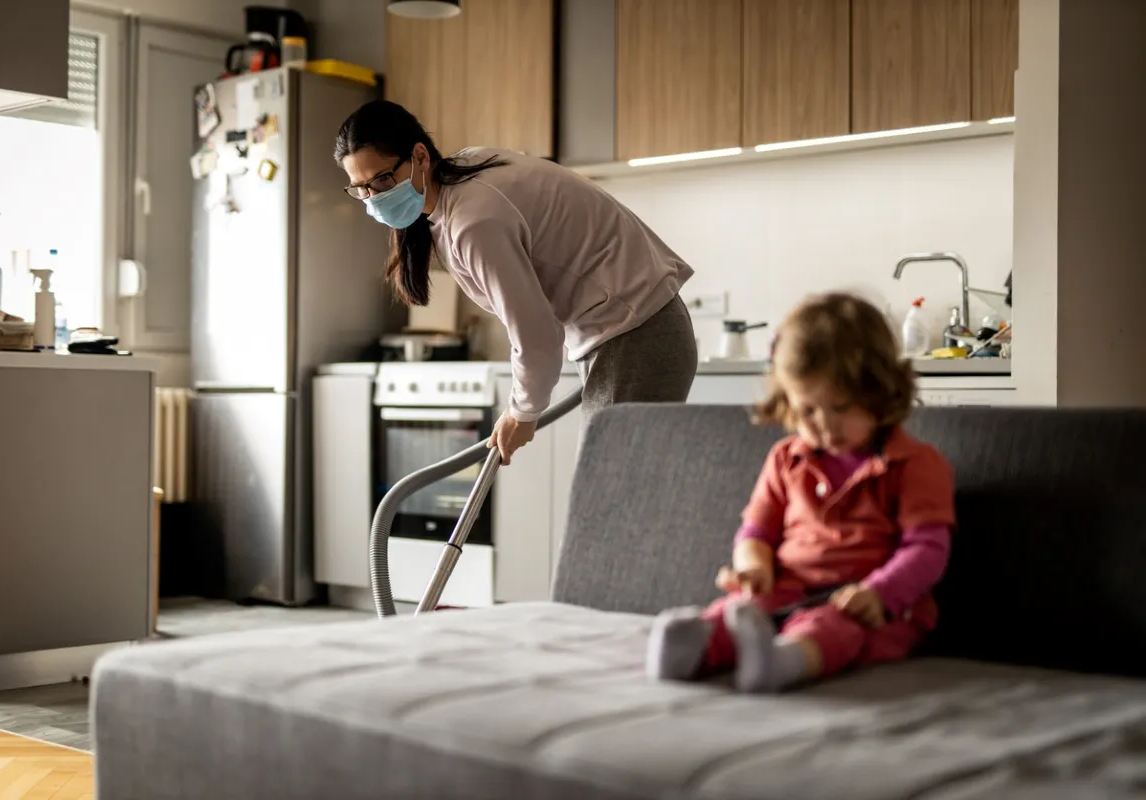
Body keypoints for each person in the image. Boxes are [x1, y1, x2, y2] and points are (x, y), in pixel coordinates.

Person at [334, 100, 698, 464]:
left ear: (420, 155)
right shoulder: (464, 174)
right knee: (616, 497)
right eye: (361, 189)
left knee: (611, 497)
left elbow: (535, 333)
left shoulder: (474, 220)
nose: (375, 198)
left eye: (383, 179)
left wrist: (522, 412)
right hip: (630, 330)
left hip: (636, 335)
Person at [645, 292, 956, 693]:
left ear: (880, 393)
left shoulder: (915, 464)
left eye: (841, 407)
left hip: (871, 607)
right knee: (740, 610)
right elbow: (756, 533)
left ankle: (784, 661)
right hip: (788, 590)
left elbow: (927, 548)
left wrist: (880, 592)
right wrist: (753, 568)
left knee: (833, 627)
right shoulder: (786, 459)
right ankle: (690, 651)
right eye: (808, 411)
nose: (826, 426)